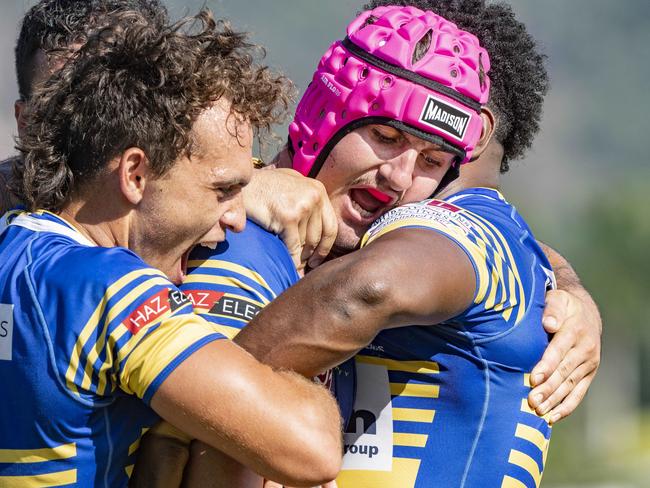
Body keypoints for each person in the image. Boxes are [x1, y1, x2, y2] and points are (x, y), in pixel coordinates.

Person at [150, 3, 600, 487]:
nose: (400, 178)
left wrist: (192, 409)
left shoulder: (445, 235)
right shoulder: (235, 236)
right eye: (384, 136)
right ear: (324, 115)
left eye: (432, 160)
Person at [0, 8, 342, 488]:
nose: (236, 217)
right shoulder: (109, 289)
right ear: (136, 174)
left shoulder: (11, 241)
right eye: (223, 191)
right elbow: (312, 448)